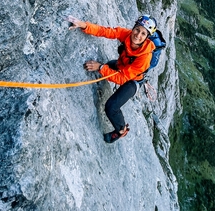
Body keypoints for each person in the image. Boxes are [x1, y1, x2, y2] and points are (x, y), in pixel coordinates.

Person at [66, 15, 157, 143]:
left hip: (133, 81)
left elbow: (122, 78)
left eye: (143, 33)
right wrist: (84, 25)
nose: (138, 35)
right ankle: (105, 68)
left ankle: (120, 130)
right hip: (122, 67)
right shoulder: (127, 34)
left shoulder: (145, 57)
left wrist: (101, 68)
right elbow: (105, 31)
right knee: (108, 65)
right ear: (133, 28)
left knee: (111, 107)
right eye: (137, 30)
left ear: (147, 37)